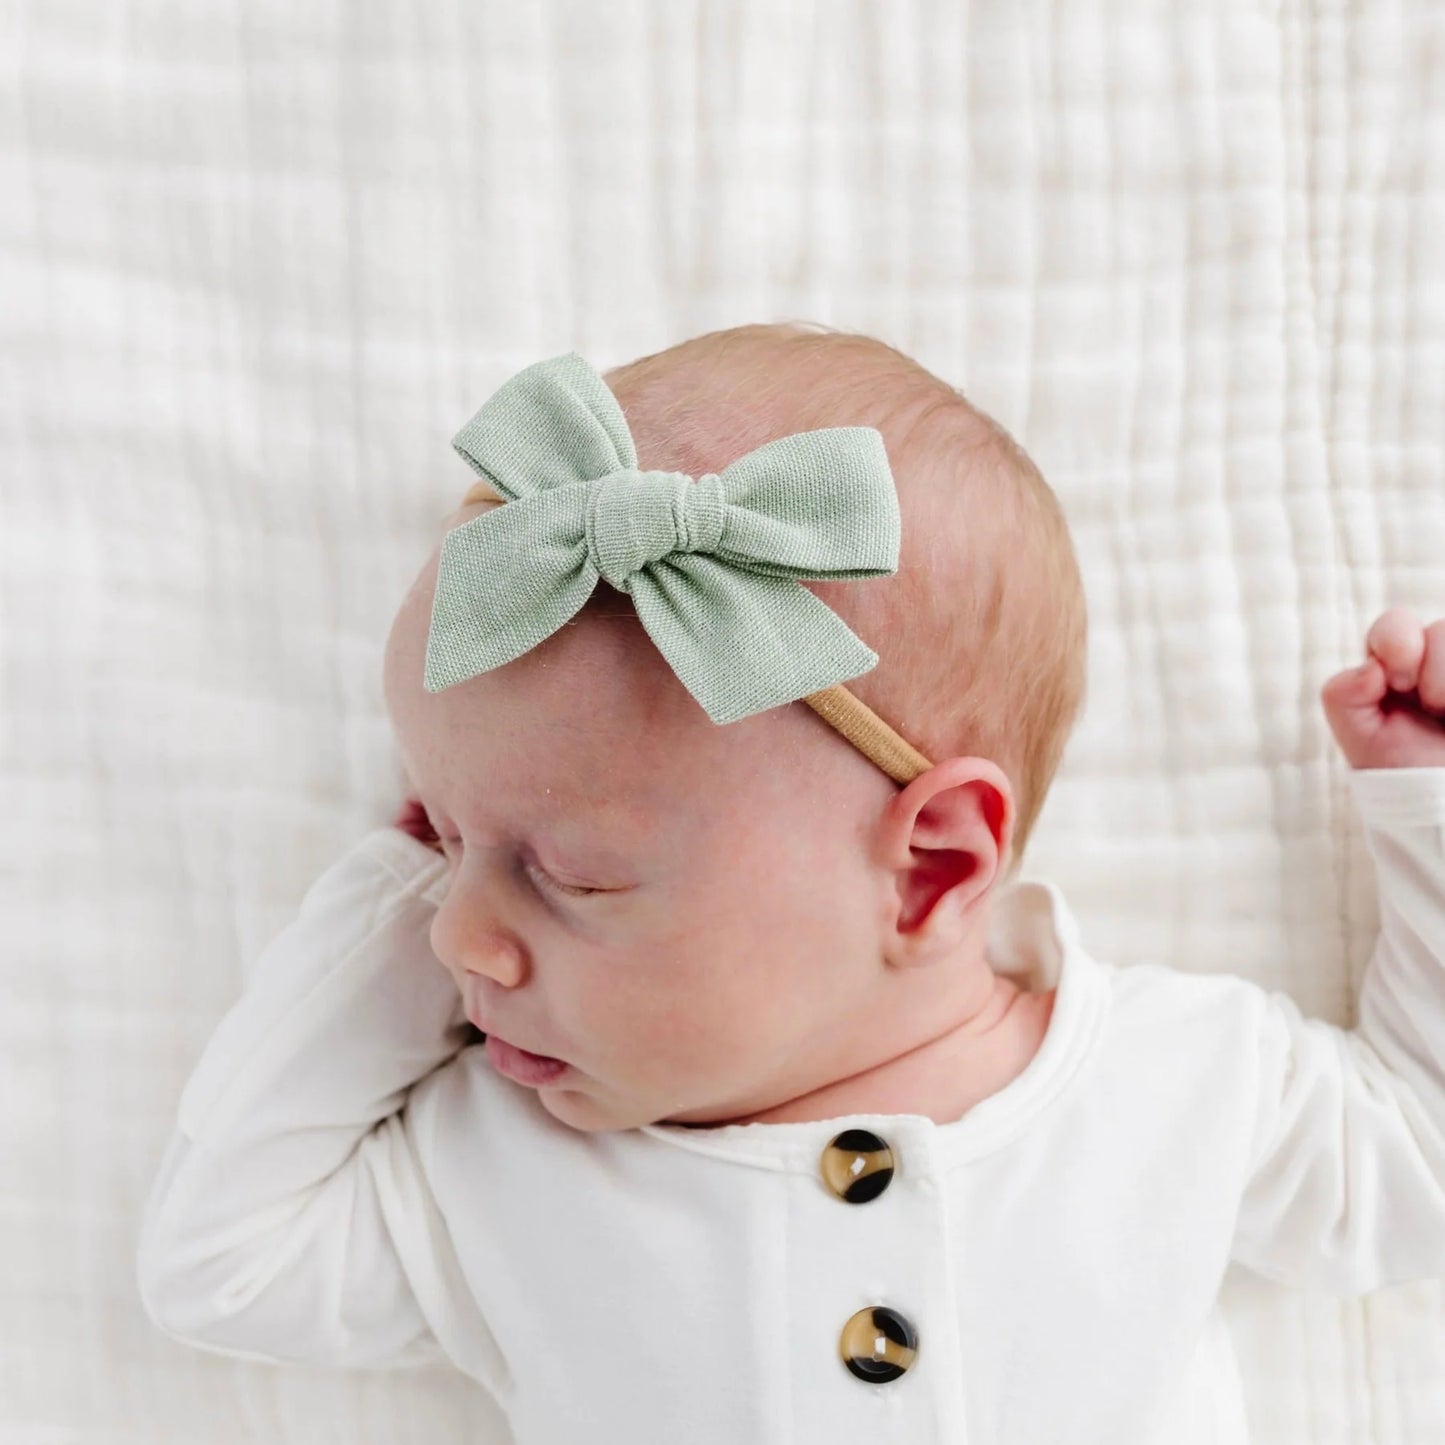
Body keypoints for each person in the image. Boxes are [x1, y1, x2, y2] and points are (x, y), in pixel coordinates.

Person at [136, 323, 1445, 1444]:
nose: (464, 937)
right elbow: (220, 1267)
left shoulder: (1176, 1082)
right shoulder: (507, 1171)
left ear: (928, 868)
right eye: (439, 831)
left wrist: (1427, 812)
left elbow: (1422, 1166)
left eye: (572, 876)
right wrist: (386, 904)